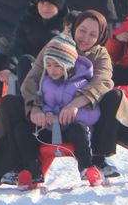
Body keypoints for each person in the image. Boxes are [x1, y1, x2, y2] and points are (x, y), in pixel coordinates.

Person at [0, 10, 128, 186]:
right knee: (9, 103)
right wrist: (34, 107)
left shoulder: (99, 54)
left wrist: (76, 104)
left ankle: (98, 157)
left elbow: (103, 81)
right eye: (82, 30)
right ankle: (18, 163)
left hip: (83, 117)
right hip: (47, 113)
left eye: (92, 35)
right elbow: (32, 78)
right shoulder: (57, 45)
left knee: (114, 96)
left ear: (100, 37)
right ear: (75, 27)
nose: (85, 38)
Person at [0, 0, 68, 131]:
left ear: (59, 6)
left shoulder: (65, 23)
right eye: (42, 4)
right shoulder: (29, 19)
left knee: (25, 61)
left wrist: (16, 69)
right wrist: (9, 68)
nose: (45, 8)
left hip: (52, 70)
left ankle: (26, 113)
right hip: (25, 64)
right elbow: (17, 46)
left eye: (50, 5)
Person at [14, 33, 101, 188]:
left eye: (57, 65)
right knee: (22, 129)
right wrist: (44, 113)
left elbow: (93, 113)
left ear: (68, 65)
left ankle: (86, 166)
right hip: (49, 129)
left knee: (80, 130)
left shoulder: (81, 84)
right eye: (49, 65)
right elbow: (47, 102)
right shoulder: (46, 82)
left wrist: (73, 114)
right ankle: (32, 170)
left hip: (70, 129)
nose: (52, 70)